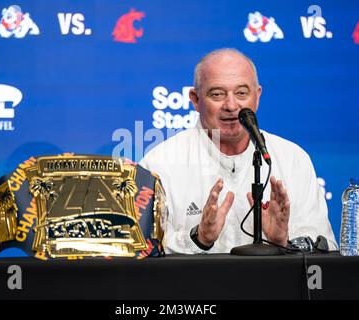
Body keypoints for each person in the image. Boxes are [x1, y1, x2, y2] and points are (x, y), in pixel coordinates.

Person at [140, 48, 337, 254]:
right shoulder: (159, 164)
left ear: (257, 96)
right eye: (217, 94)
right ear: (195, 99)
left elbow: (325, 245)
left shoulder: (292, 159)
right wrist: (198, 239)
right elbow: (141, 250)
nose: (231, 105)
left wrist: (283, 241)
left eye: (242, 93)